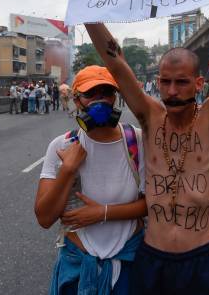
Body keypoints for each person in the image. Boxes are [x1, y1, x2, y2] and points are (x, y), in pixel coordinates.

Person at [61, 0, 209, 294]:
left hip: (202, 261)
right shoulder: (150, 115)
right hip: (152, 260)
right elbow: (115, 60)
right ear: (157, 81)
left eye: (182, 83)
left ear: (199, 83)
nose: (173, 90)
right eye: (165, 81)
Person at [35, 65, 147, 294]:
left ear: (115, 97)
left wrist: (102, 213)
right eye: (90, 94)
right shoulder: (62, 146)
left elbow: (155, 204)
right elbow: (45, 218)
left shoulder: (137, 141)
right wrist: (67, 170)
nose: (100, 100)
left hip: (129, 266)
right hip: (78, 268)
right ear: (77, 100)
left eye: (107, 92)